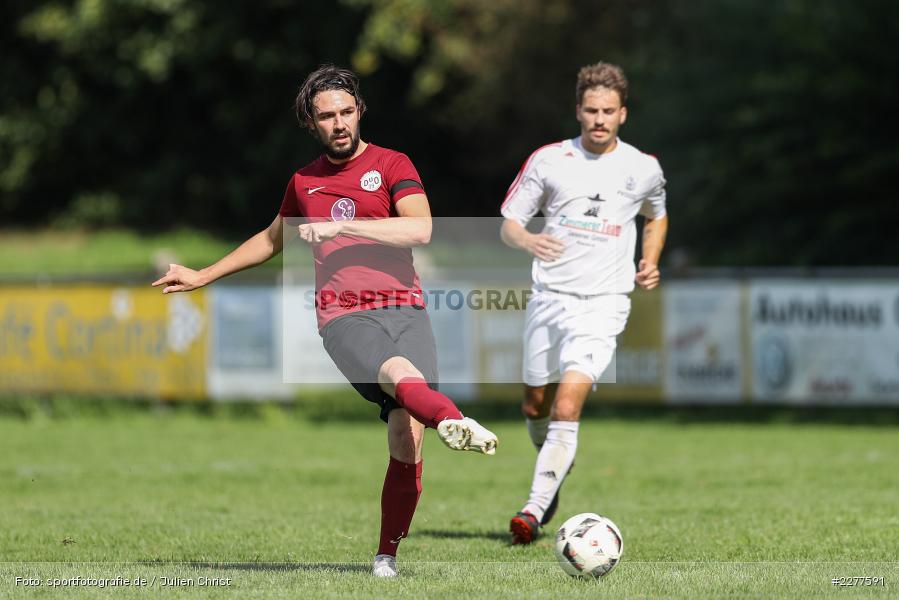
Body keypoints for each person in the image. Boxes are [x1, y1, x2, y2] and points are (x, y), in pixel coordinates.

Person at [152, 64, 498, 576]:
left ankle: (386, 556)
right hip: (344, 315)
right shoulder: (304, 182)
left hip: (405, 308)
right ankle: (452, 419)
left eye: (346, 112)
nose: (339, 123)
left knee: (407, 433)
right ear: (311, 123)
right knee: (399, 375)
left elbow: (420, 229)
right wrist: (204, 274)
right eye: (326, 116)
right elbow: (271, 239)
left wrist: (346, 228)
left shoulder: (393, 163)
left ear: (359, 112)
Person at [499, 61, 668, 544]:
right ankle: (551, 470)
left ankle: (532, 510)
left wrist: (650, 259)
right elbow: (509, 223)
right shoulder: (549, 160)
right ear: (578, 110)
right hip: (550, 297)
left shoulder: (643, 167)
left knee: (568, 404)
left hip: (604, 303)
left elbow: (657, 216)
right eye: (592, 110)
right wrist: (529, 240)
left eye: (608, 111)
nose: (599, 119)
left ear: (623, 114)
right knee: (535, 404)